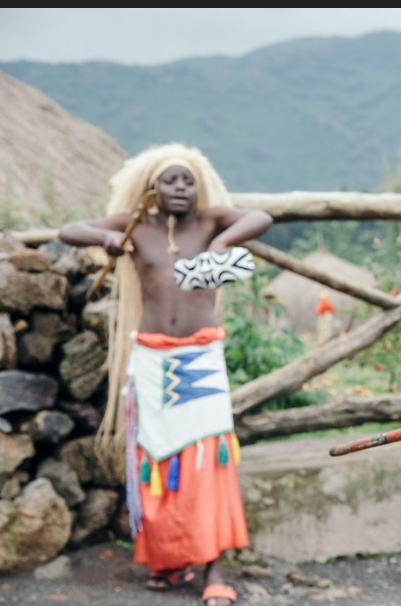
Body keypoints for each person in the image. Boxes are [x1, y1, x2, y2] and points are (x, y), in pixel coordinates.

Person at [58, 143, 273, 606]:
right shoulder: (138, 227)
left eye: (187, 179)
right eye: (170, 180)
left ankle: (214, 568)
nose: (180, 187)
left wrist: (219, 245)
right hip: (152, 359)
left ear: (199, 186)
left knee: (206, 460)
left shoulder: (211, 221)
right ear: (152, 189)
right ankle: (170, 560)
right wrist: (107, 240)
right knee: (159, 459)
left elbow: (260, 217)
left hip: (200, 359)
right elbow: (68, 229)